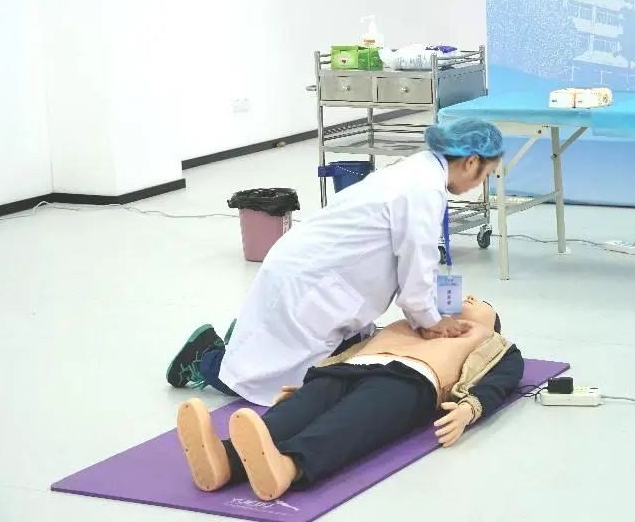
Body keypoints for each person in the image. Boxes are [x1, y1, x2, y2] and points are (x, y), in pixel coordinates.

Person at [166, 118, 505, 405]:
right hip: (310, 279)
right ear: (471, 162)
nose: (480, 184)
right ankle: (205, 359)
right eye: (485, 174)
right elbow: (417, 267)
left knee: (343, 351)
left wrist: (430, 314)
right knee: (277, 382)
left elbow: (420, 263)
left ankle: (242, 342)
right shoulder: (423, 189)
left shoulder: (419, 171)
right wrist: (431, 320)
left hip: (312, 269)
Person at [175, 295, 522, 500]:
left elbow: (501, 381)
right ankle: (224, 459)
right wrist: (307, 382)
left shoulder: (495, 344)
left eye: (484, 302)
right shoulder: (420, 321)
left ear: (495, 323)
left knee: (351, 421)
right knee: (298, 409)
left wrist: (468, 409)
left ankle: (290, 467)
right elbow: (357, 347)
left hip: (410, 380)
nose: (471, 296)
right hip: (350, 368)